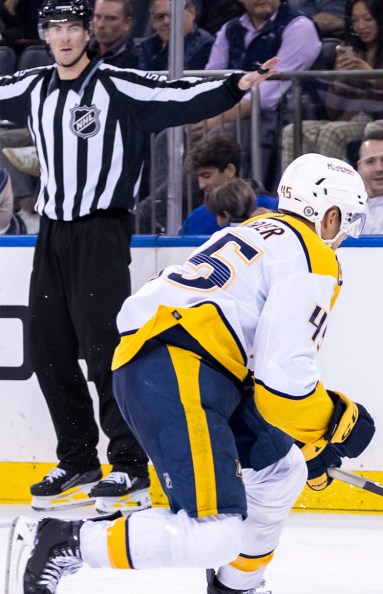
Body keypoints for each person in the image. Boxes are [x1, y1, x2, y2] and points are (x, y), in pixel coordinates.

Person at [4, 154, 377, 594]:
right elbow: (283, 383)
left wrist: (308, 443)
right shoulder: (312, 253)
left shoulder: (257, 230)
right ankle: (61, 542)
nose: (345, 235)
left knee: (281, 469)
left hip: (189, 364)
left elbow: (264, 368)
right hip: (180, 368)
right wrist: (336, 423)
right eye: (346, 221)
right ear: (328, 214)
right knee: (213, 533)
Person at [0, 0, 280, 513]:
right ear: (44, 34)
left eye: (72, 28)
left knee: (106, 349)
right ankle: (78, 458)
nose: (63, 37)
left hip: (102, 231)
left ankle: (128, 464)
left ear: (88, 33)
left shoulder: (116, 85)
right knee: (48, 347)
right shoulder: (33, 86)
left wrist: (233, 84)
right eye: (54, 28)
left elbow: (175, 96)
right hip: (53, 234)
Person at [202, 0, 322, 186]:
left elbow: (266, 95)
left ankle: (234, 203)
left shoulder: (299, 27)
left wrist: (215, 118)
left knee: (220, 133)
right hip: (232, 114)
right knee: (172, 134)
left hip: (280, 116)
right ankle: (167, 205)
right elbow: (211, 80)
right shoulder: (229, 30)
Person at [281, 0, 383, 167]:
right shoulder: (350, 49)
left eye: (367, 19)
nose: (361, 26)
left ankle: (335, 190)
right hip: (349, 118)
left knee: (331, 132)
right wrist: (338, 79)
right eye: (355, 21)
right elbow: (332, 111)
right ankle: (291, 190)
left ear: (381, 18)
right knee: (292, 131)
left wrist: (371, 76)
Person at [180, 133, 279, 236]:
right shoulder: (194, 220)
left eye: (206, 175)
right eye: (198, 177)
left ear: (230, 170)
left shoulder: (276, 208)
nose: (201, 185)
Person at [138, 0, 214, 71]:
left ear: (192, 13)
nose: (166, 22)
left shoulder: (207, 46)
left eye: (173, 15)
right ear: (152, 21)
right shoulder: (144, 48)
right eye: (160, 17)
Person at [89, 0, 139, 68]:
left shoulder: (138, 61)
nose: (101, 24)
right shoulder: (81, 52)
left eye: (110, 18)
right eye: (97, 16)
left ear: (127, 23)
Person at [205, 177, 270, 227]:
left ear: (226, 214)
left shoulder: (221, 237)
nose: (217, 221)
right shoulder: (268, 227)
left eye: (217, 215)